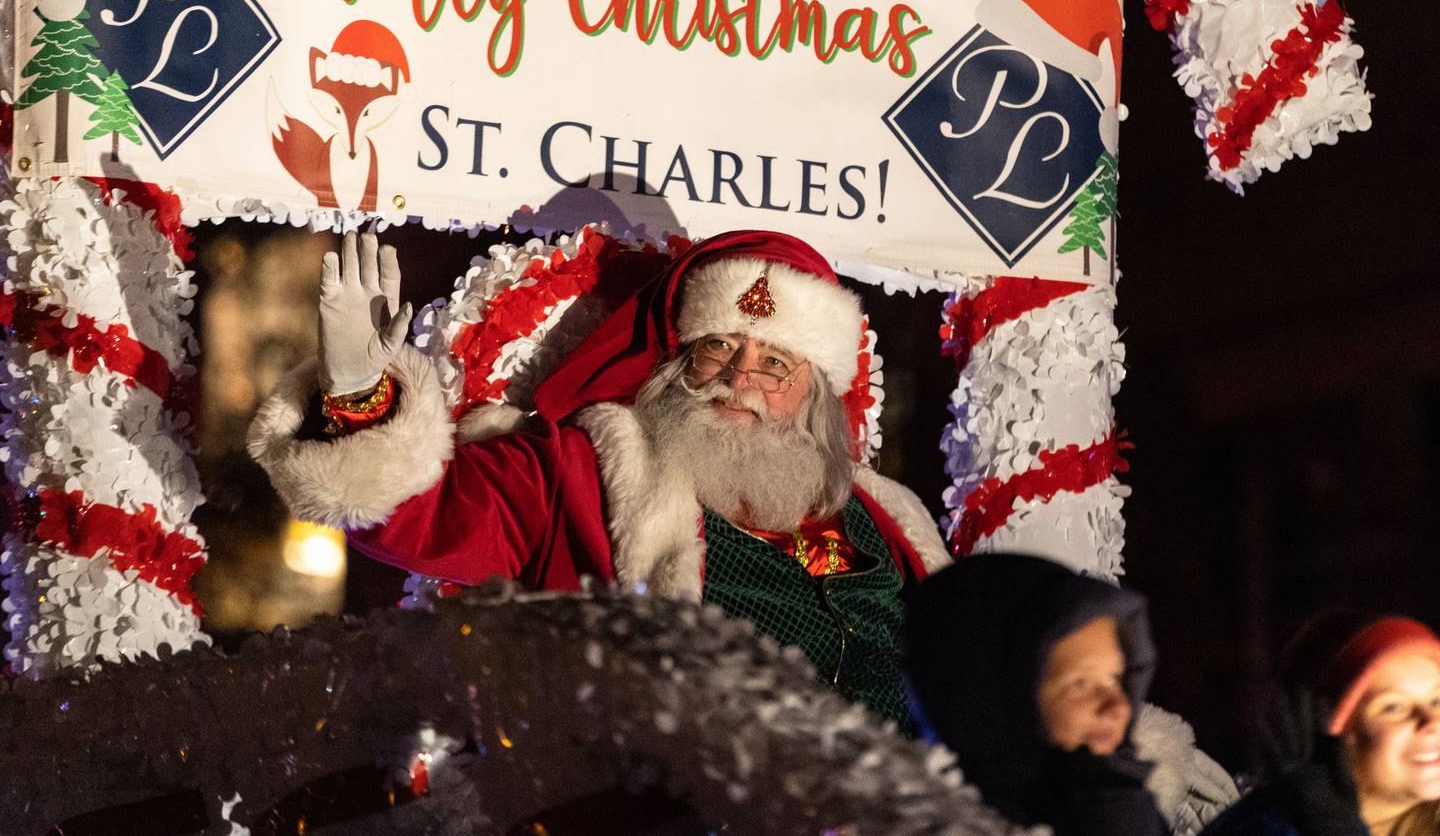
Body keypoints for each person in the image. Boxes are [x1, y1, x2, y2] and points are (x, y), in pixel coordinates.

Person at [248, 229, 951, 727]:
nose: (742, 378)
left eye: (775, 363)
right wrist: (361, 394)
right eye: (719, 347)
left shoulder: (880, 515)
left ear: (815, 391)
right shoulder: (586, 471)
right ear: (679, 361)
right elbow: (421, 515)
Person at [903, 552, 1237, 836]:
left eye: (1117, 679)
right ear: (990, 698)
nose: (1117, 707)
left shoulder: (1126, 798)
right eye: (1079, 684)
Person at [1201, 612, 1440, 836]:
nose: (1432, 722)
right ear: (1322, 731)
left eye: (1436, 700)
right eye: (1393, 707)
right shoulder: (1259, 827)